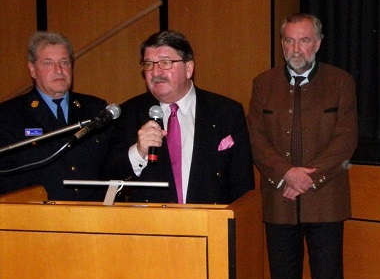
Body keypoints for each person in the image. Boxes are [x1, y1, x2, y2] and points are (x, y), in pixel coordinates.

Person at [246, 13, 358, 279]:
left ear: (318, 43)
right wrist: (286, 175)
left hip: (325, 200)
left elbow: (345, 139)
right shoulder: (263, 84)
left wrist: (308, 178)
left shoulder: (340, 82)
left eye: (305, 40)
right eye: (290, 41)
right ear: (282, 44)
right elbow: (257, 141)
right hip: (280, 200)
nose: (297, 48)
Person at [104, 30, 254, 204]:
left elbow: (243, 187)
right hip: (152, 219)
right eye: (148, 64)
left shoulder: (226, 112)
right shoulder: (129, 113)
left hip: (208, 218)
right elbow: (109, 179)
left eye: (165, 63)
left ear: (189, 68)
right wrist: (138, 152)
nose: (155, 72)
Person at [0, 31, 109, 200]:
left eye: (64, 62)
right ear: (32, 70)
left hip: (91, 212)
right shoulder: (9, 115)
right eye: (49, 63)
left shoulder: (96, 109)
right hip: (37, 212)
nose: (59, 70)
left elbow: (111, 164)